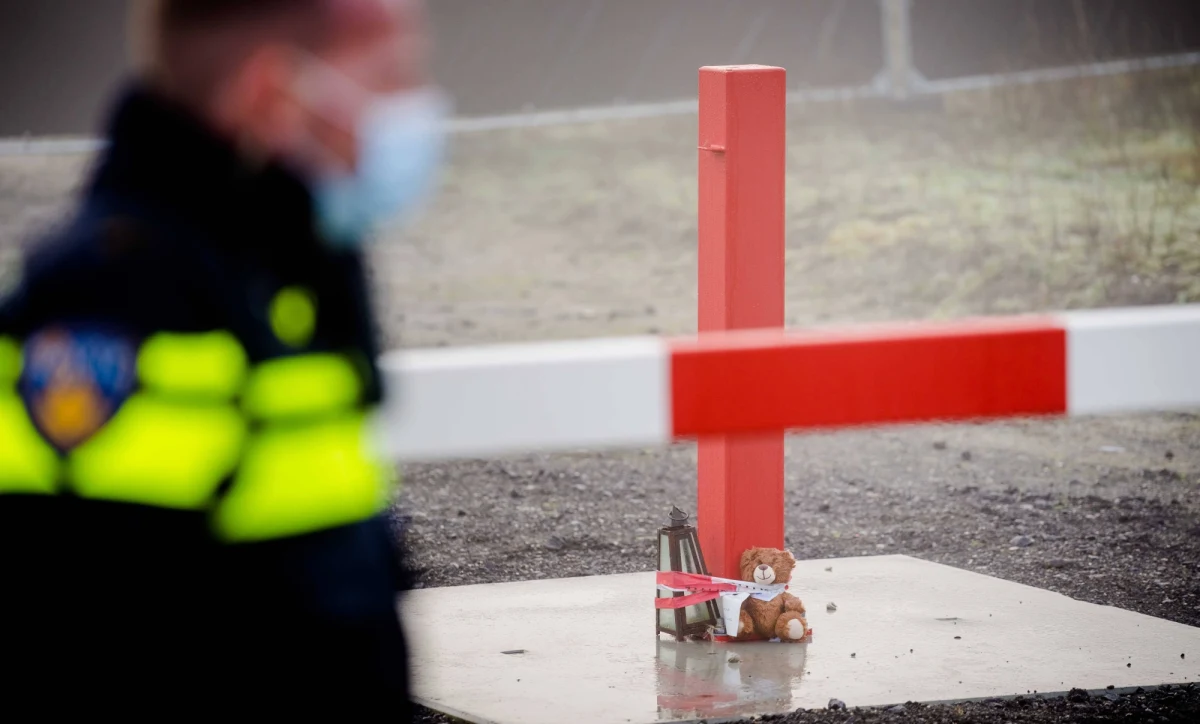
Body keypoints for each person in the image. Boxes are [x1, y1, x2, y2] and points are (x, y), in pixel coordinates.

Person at [0, 0, 444, 715]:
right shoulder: (117, 298)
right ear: (274, 90)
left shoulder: (287, 264)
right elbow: (79, 641)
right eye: (388, 77)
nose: (414, 110)